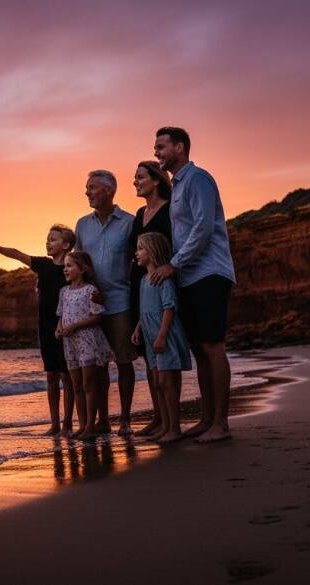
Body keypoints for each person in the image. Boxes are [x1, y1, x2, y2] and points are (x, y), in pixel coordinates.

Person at [152, 126, 236, 443]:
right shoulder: (177, 186)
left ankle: (222, 423)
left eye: (161, 146)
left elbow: (202, 228)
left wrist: (173, 264)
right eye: (155, 147)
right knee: (201, 349)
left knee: (213, 345)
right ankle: (206, 419)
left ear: (180, 147)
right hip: (189, 274)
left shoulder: (198, 178)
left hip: (209, 272)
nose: (156, 152)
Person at [0, 224, 76, 436]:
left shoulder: (71, 267)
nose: (47, 242)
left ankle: (68, 424)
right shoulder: (43, 265)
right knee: (51, 375)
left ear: (67, 245)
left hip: (66, 327)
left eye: (53, 239)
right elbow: (17, 254)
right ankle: (54, 424)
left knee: (67, 377)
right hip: (45, 327)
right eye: (47, 238)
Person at [74, 170, 137, 436]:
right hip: (92, 305)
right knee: (98, 366)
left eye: (92, 188)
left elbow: (137, 262)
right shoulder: (82, 224)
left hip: (121, 301)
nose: (87, 192)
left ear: (109, 191)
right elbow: (78, 263)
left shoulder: (131, 222)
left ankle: (125, 419)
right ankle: (103, 420)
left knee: (124, 361)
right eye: (87, 188)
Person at [131, 232, 192, 444]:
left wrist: (162, 336)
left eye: (140, 248)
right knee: (158, 382)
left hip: (163, 334)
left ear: (153, 251)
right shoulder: (143, 280)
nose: (136, 253)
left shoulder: (162, 279)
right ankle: (165, 426)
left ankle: (174, 428)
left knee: (167, 382)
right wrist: (138, 328)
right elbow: (144, 310)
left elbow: (169, 308)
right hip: (148, 334)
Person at [129, 161, 175, 437]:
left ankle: (171, 421)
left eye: (140, 177)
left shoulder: (171, 209)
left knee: (165, 356)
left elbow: (175, 244)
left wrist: (167, 268)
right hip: (141, 283)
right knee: (149, 357)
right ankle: (158, 419)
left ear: (156, 180)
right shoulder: (139, 213)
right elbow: (131, 251)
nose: (135, 181)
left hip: (163, 280)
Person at [56, 251, 113, 441]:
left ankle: (90, 425)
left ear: (82, 269)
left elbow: (97, 316)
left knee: (89, 384)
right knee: (77, 385)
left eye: (70, 265)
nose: (65, 269)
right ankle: (82, 425)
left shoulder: (90, 290)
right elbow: (61, 316)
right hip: (69, 342)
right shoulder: (63, 292)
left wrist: (74, 326)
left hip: (87, 340)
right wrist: (59, 329)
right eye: (65, 266)